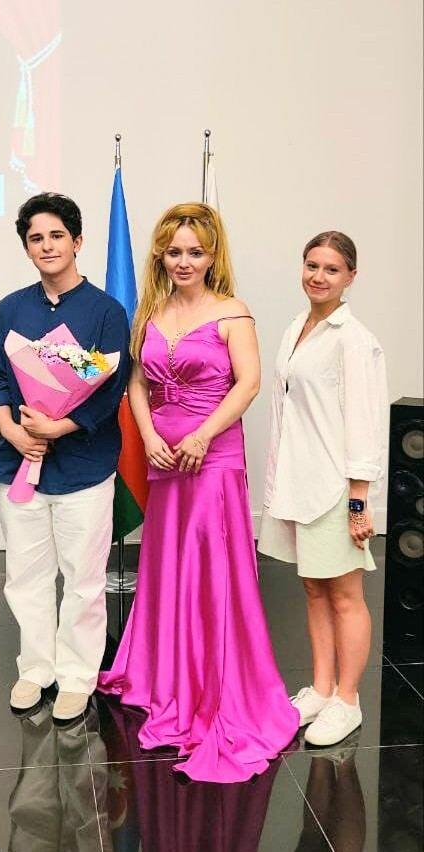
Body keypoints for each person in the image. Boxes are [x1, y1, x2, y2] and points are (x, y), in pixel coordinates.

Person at [98, 202, 298, 783]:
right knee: (167, 566)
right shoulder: (150, 312)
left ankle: (214, 688)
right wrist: (149, 436)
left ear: (212, 257)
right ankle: (168, 676)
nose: (183, 261)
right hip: (164, 457)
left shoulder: (233, 312)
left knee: (210, 570)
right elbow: (137, 382)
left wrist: (203, 436)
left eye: (195, 252)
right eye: (174, 251)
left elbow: (249, 383)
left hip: (212, 457)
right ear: (161, 254)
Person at [0, 192, 130, 721]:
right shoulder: (11, 309)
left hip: (84, 469)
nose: (46, 246)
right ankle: (35, 669)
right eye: (36, 238)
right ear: (26, 247)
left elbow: (112, 386)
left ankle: (77, 675)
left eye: (56, 236)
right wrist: (12, 428)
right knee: (25, 576)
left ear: (77, 241)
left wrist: (60, 426)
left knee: (84, 580)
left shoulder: (106, 311)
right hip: (19, 463)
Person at [258, 231, 387, 747]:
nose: (318, 276)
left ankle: (347, 700)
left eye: (331, 269)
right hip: (299, 481)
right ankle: (321, 688)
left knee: (346, 594)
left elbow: (365, 424)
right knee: (313, 589)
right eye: (312, 265)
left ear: (351, 276)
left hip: (335, 488)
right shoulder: (299, 326)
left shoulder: (353, 340)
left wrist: (358, 500)